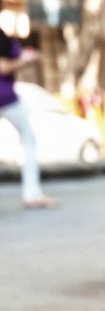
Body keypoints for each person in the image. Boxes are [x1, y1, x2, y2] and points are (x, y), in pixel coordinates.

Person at [1, 31, 58, 209]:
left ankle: (32, 192)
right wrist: (26, 60)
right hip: (5, 97)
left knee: (28, 137)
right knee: (29, 138)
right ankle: (32, 193)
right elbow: (3, 67)